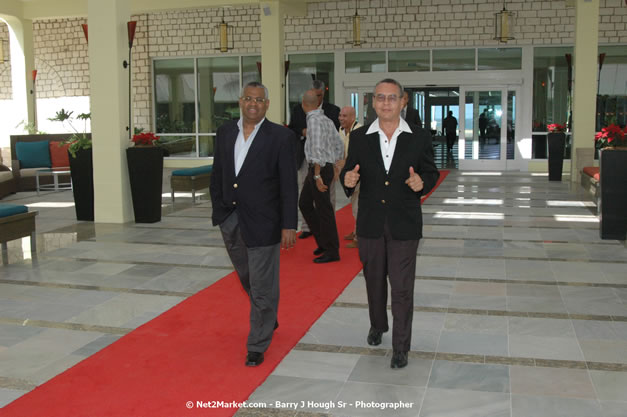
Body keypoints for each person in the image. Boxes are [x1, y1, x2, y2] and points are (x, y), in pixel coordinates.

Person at [340, 78, 439, 369]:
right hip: (370, 223)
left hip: (404, 223)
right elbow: (349, 172)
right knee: (374, 281)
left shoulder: (418, 136)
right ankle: (377, 324)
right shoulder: (359, 138)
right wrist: (348, 181)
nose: (386, 103)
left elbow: (430, 172)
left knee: (402, 287)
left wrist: (423, 183)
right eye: (380, 98)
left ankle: (400, 346)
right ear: (373, 102)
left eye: (392, 98)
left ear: (403, 101)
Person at [210, 81, 298, 367]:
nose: (253, 103)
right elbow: (218, 173)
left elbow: (288, 185)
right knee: (247, 277)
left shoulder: (281, 138)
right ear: (240, 101)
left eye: (259, 100)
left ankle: (257, 343)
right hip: (231, 218)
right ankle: (268, 316)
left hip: (265, 221)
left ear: (267, 104)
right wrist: (219, 210)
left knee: (261, 284)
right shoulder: (225, 133)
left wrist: (288, 224)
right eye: (248, 98)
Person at [288, 80, 340, 240]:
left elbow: (329, 142)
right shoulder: (298, 110)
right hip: (306, 159)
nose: (317, 97)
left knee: (325, 200)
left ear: (323, 93)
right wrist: (303, 132)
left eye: (319, 95)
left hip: (321, 163)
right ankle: (309, 228)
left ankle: (327, 236)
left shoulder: (331, 111)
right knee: (304, 199)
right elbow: (293, 128)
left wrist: (330, 167)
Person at [298, 89, 344, 263]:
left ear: (304, 104)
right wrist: (337, 165)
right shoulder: (325, 119)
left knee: (324, 210)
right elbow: (338, 143)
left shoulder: (315, 121)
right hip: (321, 168)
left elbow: (317, 149)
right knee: (305, 204)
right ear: (317, 104)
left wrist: (318, 176)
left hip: (319, 169)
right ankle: (324, 243)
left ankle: (332, 251)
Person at [336, 106, 362, 249]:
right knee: (354, 205)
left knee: (358, 207)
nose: (341, 118)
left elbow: (362, 157)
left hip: (359, 175)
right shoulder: (340, 130)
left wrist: (346, 162)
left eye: (344, 116)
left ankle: (359, 237)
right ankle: (355, 231)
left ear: (353, 117)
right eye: (340, 115)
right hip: (346, 175)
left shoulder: (359, 131)